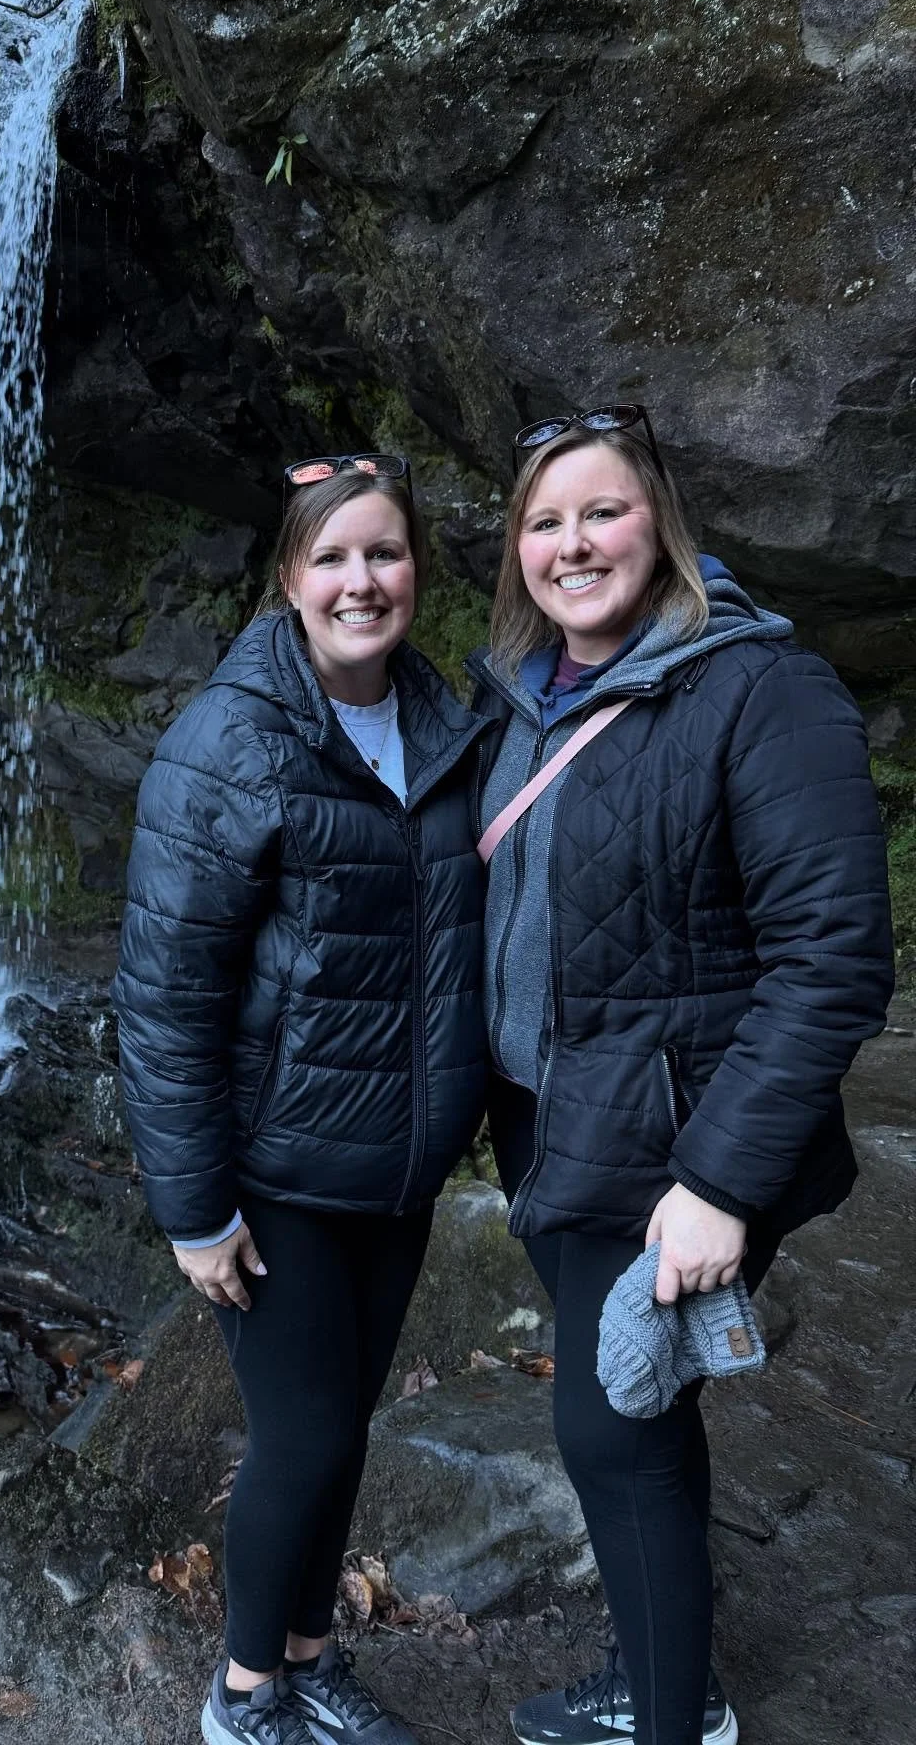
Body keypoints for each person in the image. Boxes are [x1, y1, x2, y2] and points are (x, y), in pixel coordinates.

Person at [466, 405, 894, 1745]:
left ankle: (670, 1722)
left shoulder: (759, 687)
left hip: (672, 1150)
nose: (573, 542)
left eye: (602, 512)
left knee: (611, 1431)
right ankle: (671, 1675)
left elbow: (833, 959)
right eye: (545, 522)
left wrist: (719, 1181)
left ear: (661, 523)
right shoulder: (525, 698)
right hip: (553, 1126)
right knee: (638, 1420)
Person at [113, 455, 490, 1745]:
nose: (359, 581)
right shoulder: (229, 740)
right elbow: (167, 994)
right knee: (305, 1433)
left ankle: (311, 1655)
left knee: (342, 1431)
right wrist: (195, 1205)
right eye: (331, 558)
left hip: (396, 1158)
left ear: (418, 575)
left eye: (383, 555)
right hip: (277, 1166)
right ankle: (241, 1697)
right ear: (288, 580)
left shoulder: (453, 725)